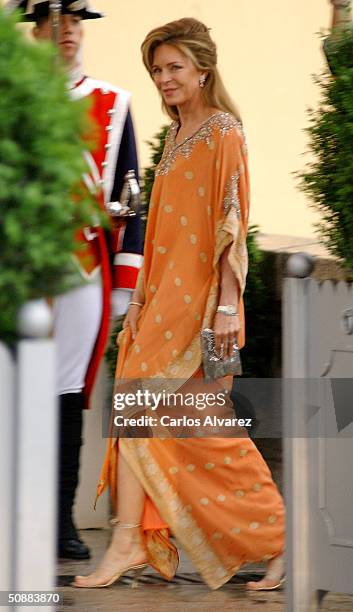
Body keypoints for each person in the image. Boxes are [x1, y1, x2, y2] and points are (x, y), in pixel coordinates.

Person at [73, 17, 285, 591]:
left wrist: (226, 309)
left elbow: (230, 226)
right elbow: (162, 232)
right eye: (157, 69)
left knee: (173, 420)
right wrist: (138, 300)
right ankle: (263, 539)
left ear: (202, 69)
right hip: (159, 303)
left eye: (175, 68)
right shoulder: (174, 136)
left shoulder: (223, 131)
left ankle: (132, 542)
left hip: (200, 308)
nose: (164, 79)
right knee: (187, 428)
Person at [9, 0, 143, 560]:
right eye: (54, 20)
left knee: (67, 393)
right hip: (19, 269)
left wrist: (123, 281)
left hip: (84, 266)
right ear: (36, 30)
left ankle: (59, 521)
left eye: (75, 21)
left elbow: (133, 196)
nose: (67, 32)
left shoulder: (113, 103)